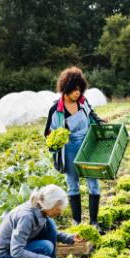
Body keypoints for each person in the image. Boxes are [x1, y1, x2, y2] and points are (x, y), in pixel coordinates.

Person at [43, 66, 104, 228]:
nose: (77, 93)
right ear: (66, 88)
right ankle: (77, 221)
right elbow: (49, 133)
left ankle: (93, 222)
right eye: (74, 89)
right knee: (72, 183)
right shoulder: (56, 110)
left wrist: (100, 122)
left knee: (93, 182)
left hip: (87, 144)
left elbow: (91, 114)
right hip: (69, 148)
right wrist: (55, 144)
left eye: (80, 89)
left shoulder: (83, 102)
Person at [0, 184, 84, 258]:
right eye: (58, 209)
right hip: (6, 255)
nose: (60, 212)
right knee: (46, 246)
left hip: (20, 244)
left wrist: (71, 238)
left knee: (50, 225)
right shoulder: (26, 217)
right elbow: (16, 251)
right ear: (49, 205)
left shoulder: (40, 210)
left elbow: (52, 233)